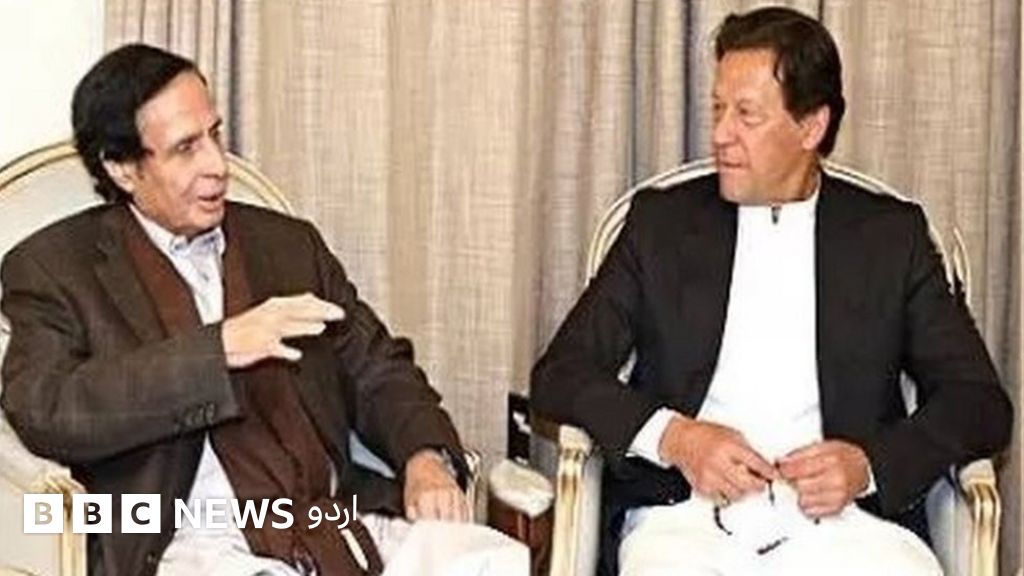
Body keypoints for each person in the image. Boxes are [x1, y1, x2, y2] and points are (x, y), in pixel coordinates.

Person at [1, 44, 526, 576]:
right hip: (187, 537)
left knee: (496, 561)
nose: (216, 165)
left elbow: (376, 367)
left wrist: (424, 457)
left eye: (215, 135)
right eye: (185, 148)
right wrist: (218, 351)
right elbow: (48, 409)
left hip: (328, 520)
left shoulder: (288, 246)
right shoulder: (54, 268)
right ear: (122, 169)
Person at [530, 6, 1012, 576]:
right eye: (718, 109)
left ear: (811, 128)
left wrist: (868, 465)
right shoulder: (662, 226)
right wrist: (677, 438)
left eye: (746, 115)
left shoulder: (890, 238)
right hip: (686, 521)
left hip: (849, 527)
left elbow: (979, 403)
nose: (720, 134)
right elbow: (560, 375)